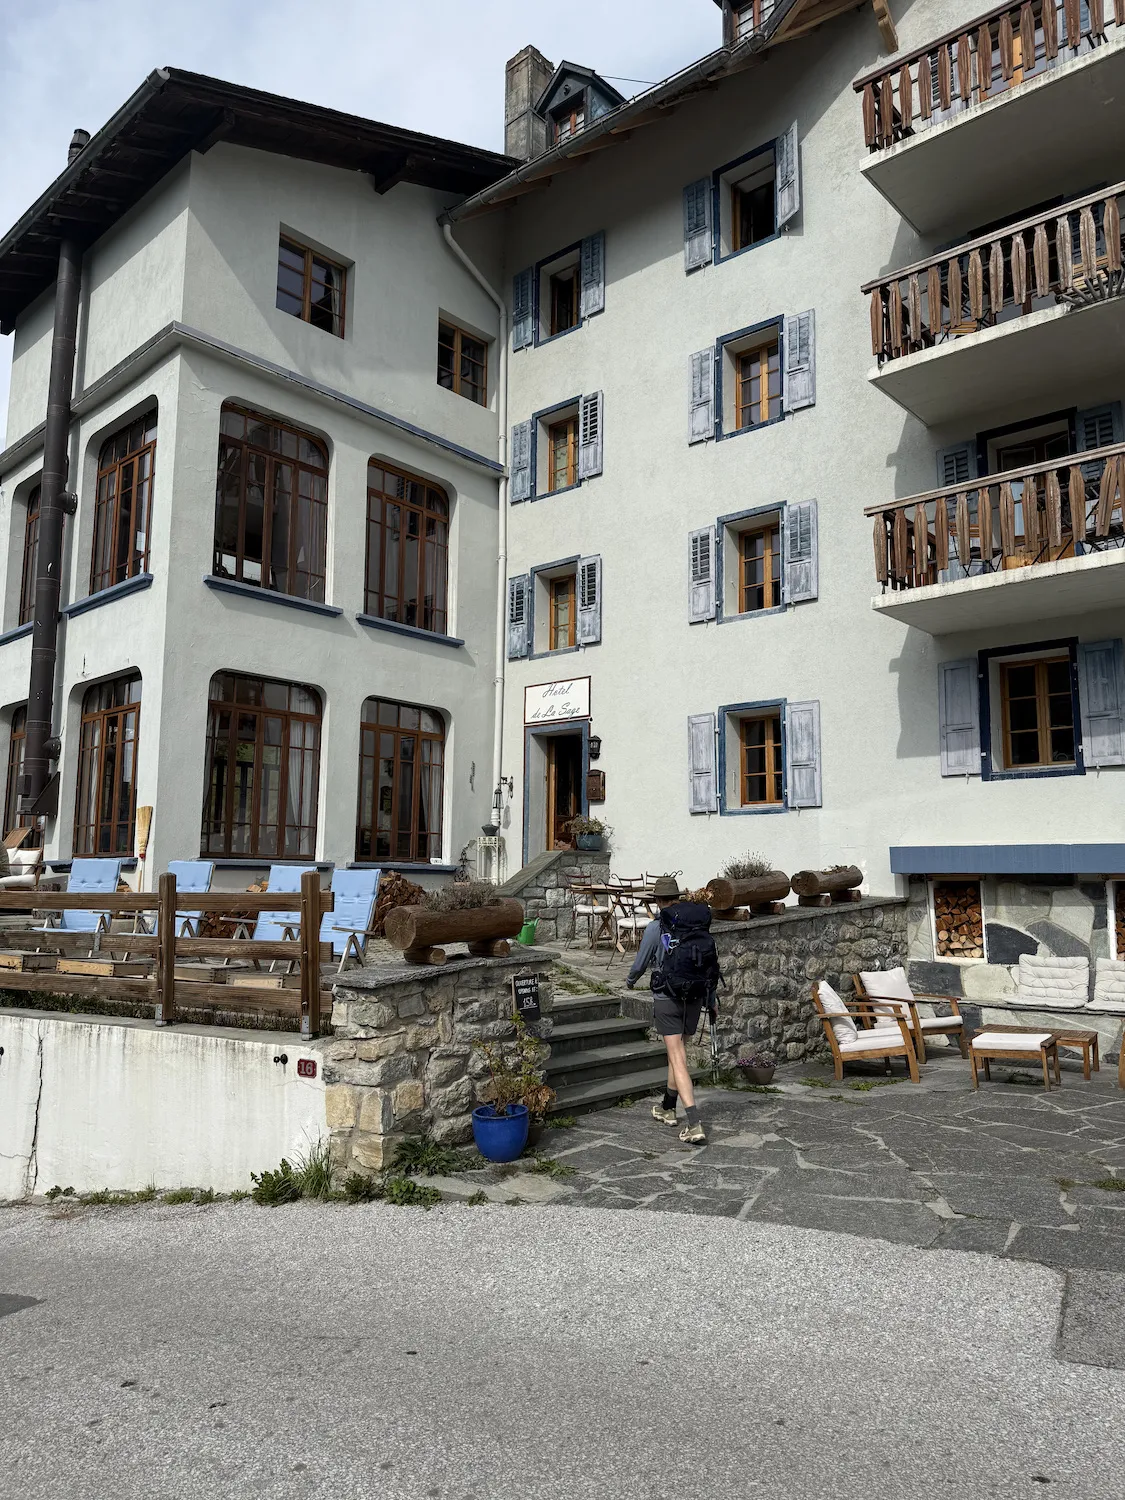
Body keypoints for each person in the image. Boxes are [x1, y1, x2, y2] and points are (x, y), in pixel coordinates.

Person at [625, 875, 708, 1144]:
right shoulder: (696, 925)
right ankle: (667, 1107)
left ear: (658, 901)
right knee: (678, 1053)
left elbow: (641, 962)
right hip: (694, 995)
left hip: (667, 995)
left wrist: (630, 981)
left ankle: (694, 1123)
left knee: (677, 1057)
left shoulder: (656, 927)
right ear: (677, 898)